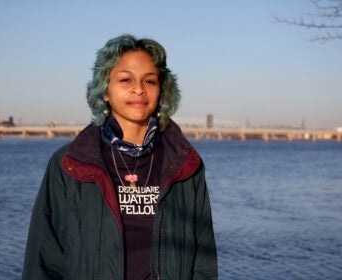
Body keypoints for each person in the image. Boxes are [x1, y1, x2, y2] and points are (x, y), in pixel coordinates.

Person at [22, 34, 218, 280]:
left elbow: (204, 261)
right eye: (126, 80)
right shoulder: (69, 165)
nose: (139, 89)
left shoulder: (185, 165)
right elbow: (43, 260)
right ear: (104, 90)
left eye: (150, 81)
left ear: (161, 90)